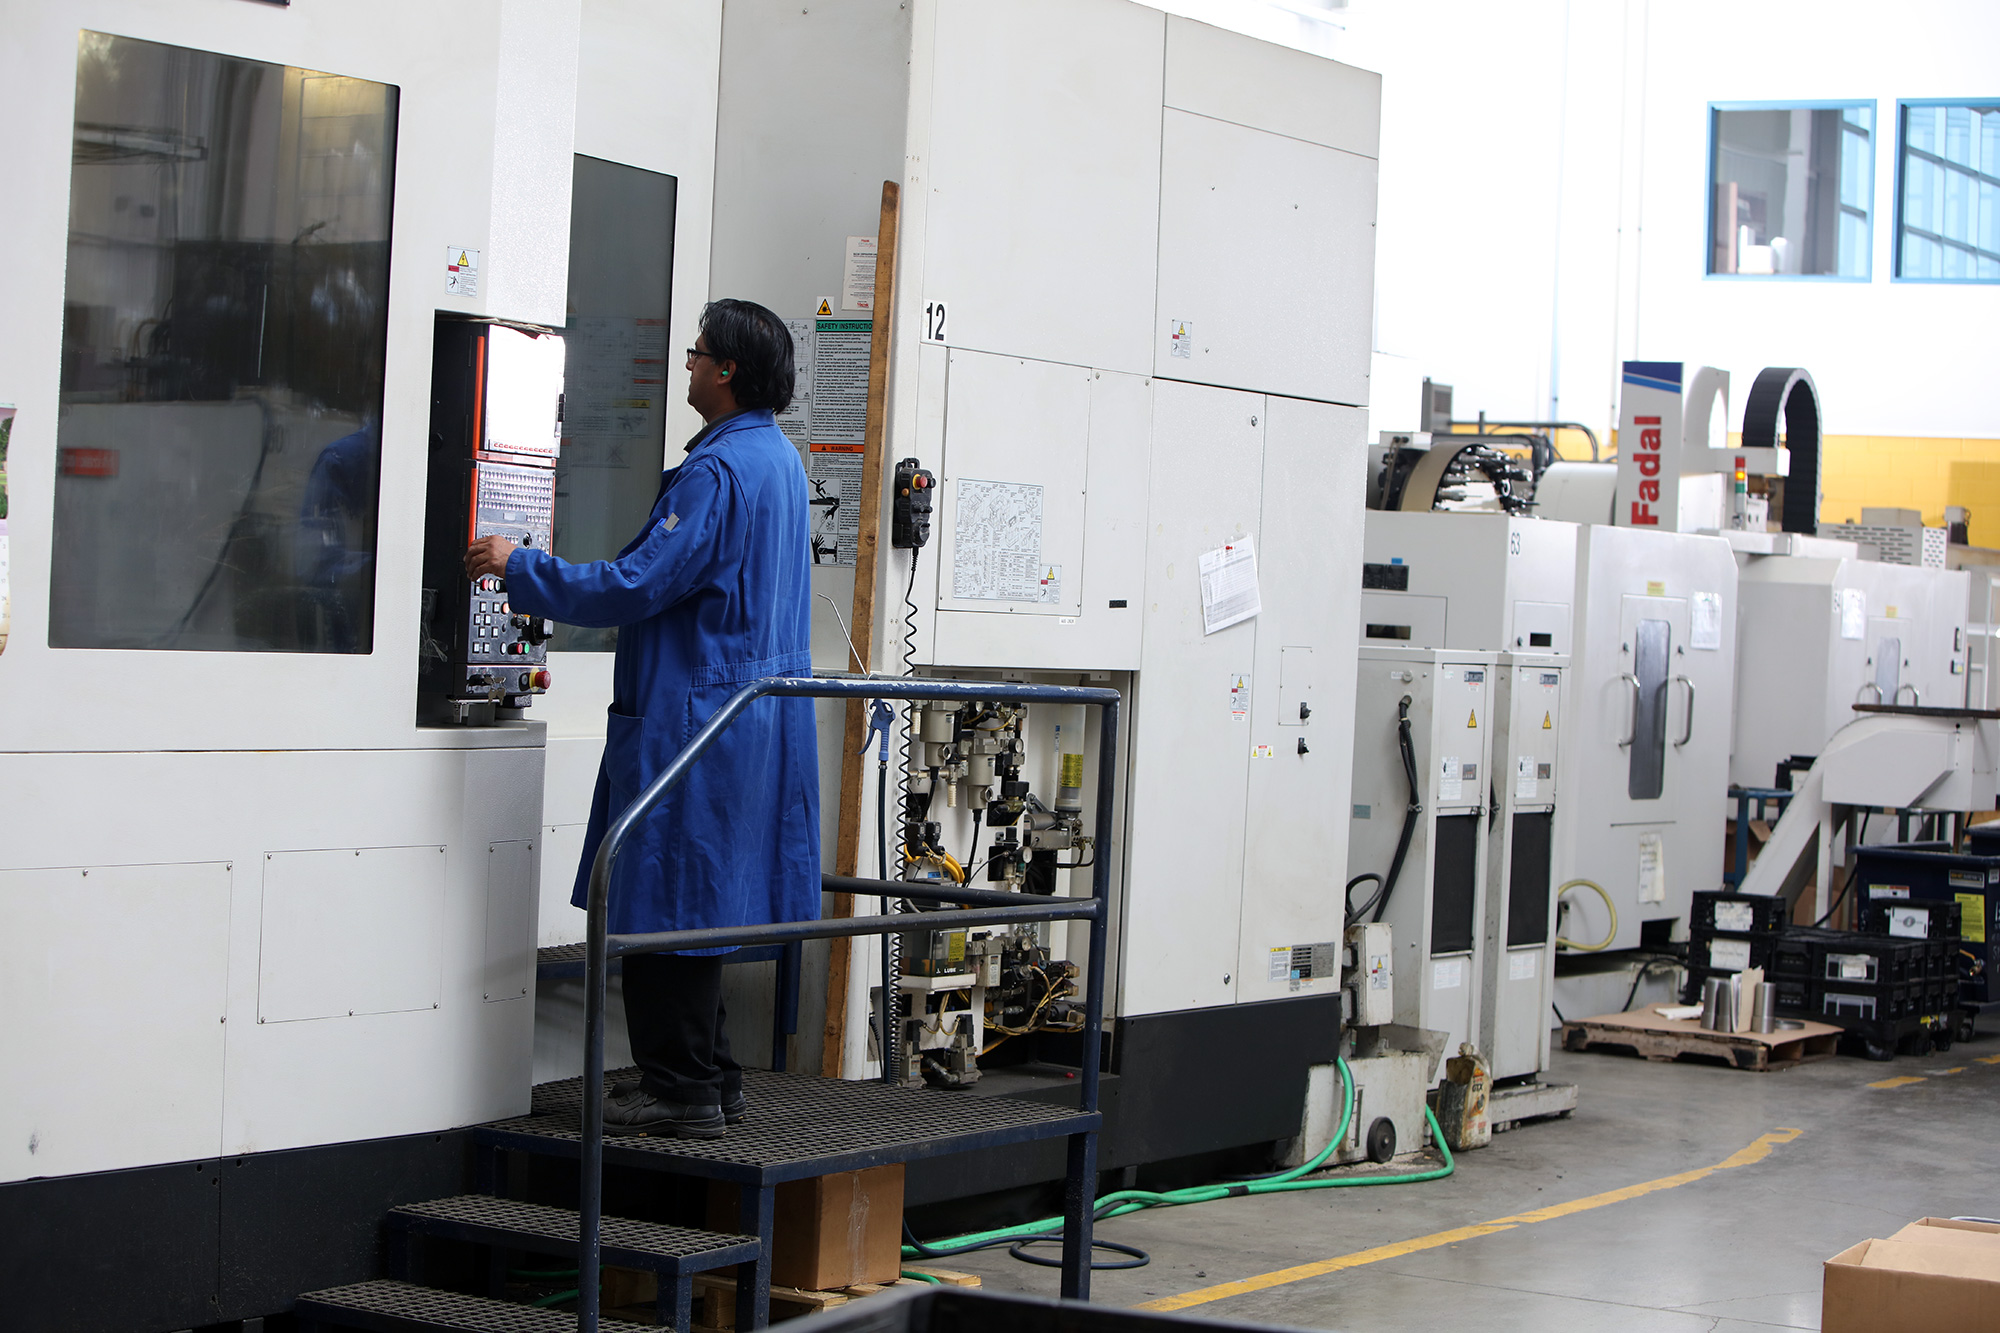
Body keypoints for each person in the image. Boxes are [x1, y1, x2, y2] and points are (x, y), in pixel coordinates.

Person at [464, 299, 820, 1138]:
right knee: (698, 900)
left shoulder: (715, 474)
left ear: (725, 371)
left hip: (692, 721)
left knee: (665, 899)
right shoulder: (780, 464)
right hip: (746, 722)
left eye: (697, 355)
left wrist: (524, 568)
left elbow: (637, 585)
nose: (686, 367)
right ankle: (714, 1076)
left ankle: (683, 1086)